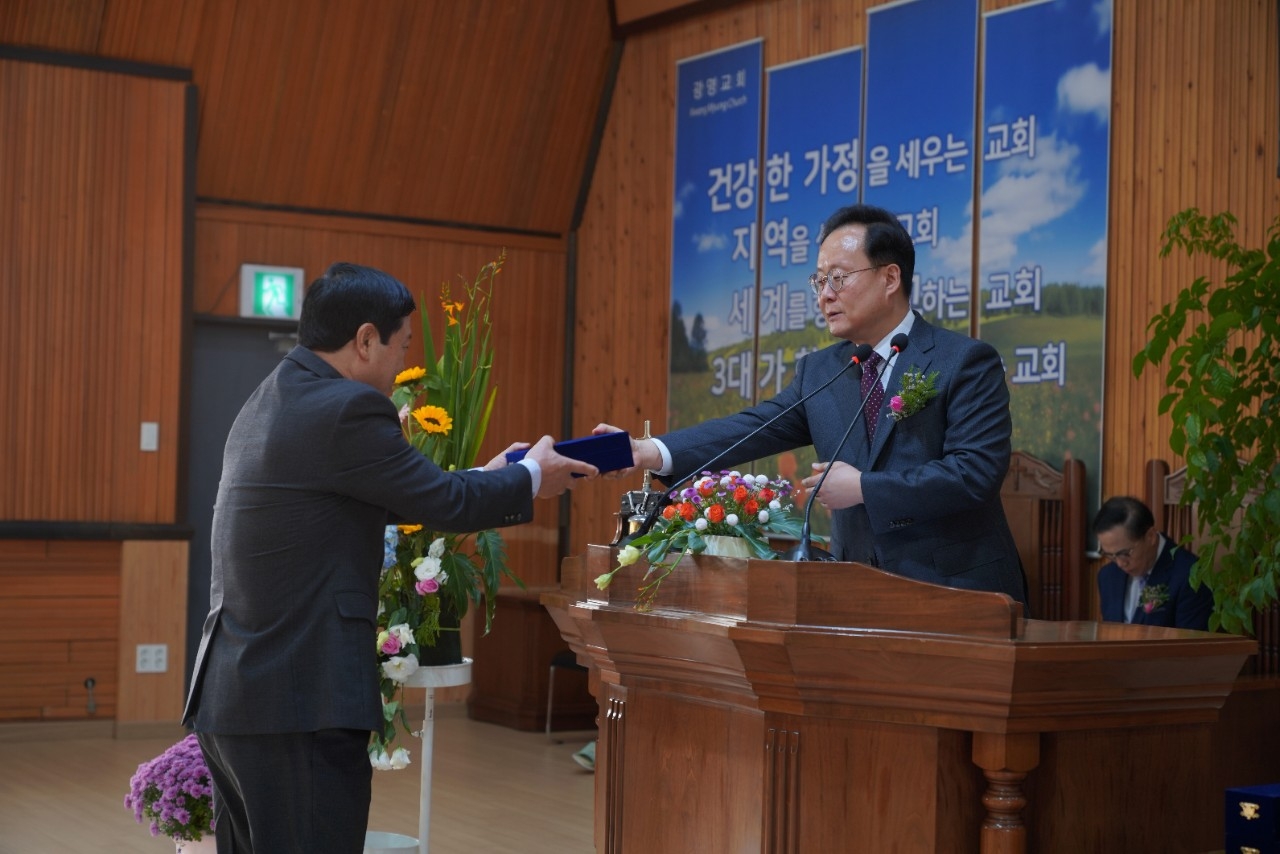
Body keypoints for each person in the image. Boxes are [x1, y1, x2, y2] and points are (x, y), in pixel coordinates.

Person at [182, 262, 598, 853]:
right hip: (298, 703)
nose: (403, 364)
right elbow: (446, 503)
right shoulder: (346, 407)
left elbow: (399, 492)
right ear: (365, 340)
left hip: (240, 695)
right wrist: (533, 476)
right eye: (402, 347)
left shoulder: (274, 395)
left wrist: (492, 475)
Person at [597, 204, 1027, 605]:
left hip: (956, 591)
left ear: (890, 278)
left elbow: (974, 472)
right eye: (819, 282)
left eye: (837, 278)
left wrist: (864, 488)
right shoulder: (823, 371)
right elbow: (750, 428)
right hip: (854, 592)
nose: (824, 296)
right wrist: (646, 451)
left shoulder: (963, 361)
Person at [1094, 495, 1213, 630]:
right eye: (1110, 555)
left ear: (1150, 536)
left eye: (1125, 553)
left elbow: (1191, 641)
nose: (1120, 563)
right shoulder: (1107, 576)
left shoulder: (1191, 575)